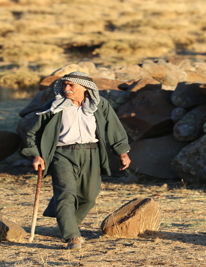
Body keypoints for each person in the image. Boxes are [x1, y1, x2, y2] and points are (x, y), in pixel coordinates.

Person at [22, 71, 131, 250]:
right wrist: (35, 154)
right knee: (66, 193)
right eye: (64, 85)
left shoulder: (99, 105)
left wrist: (122, 152)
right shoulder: (54, 106)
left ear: (85, 87)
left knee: (89, 196)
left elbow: (114, 128)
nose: (66, 88)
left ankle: (68, 222)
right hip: (61, 154)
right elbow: (32, 132)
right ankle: (72, 235)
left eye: (71, 85)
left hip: (91, 153)